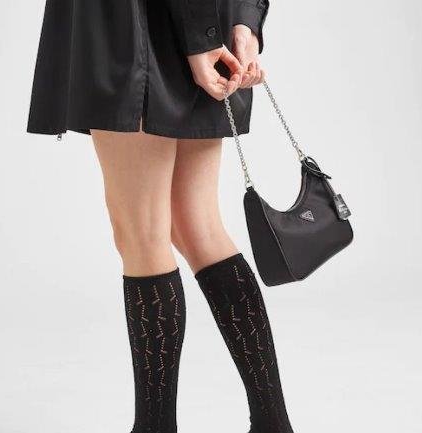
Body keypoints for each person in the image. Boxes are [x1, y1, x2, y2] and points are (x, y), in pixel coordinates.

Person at [27, 1, 294, 432]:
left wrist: (204, 39)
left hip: (138, 28)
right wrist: (243, 23)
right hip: (203, 22)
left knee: (142, 234)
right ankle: (273, 425)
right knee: (197, 226)